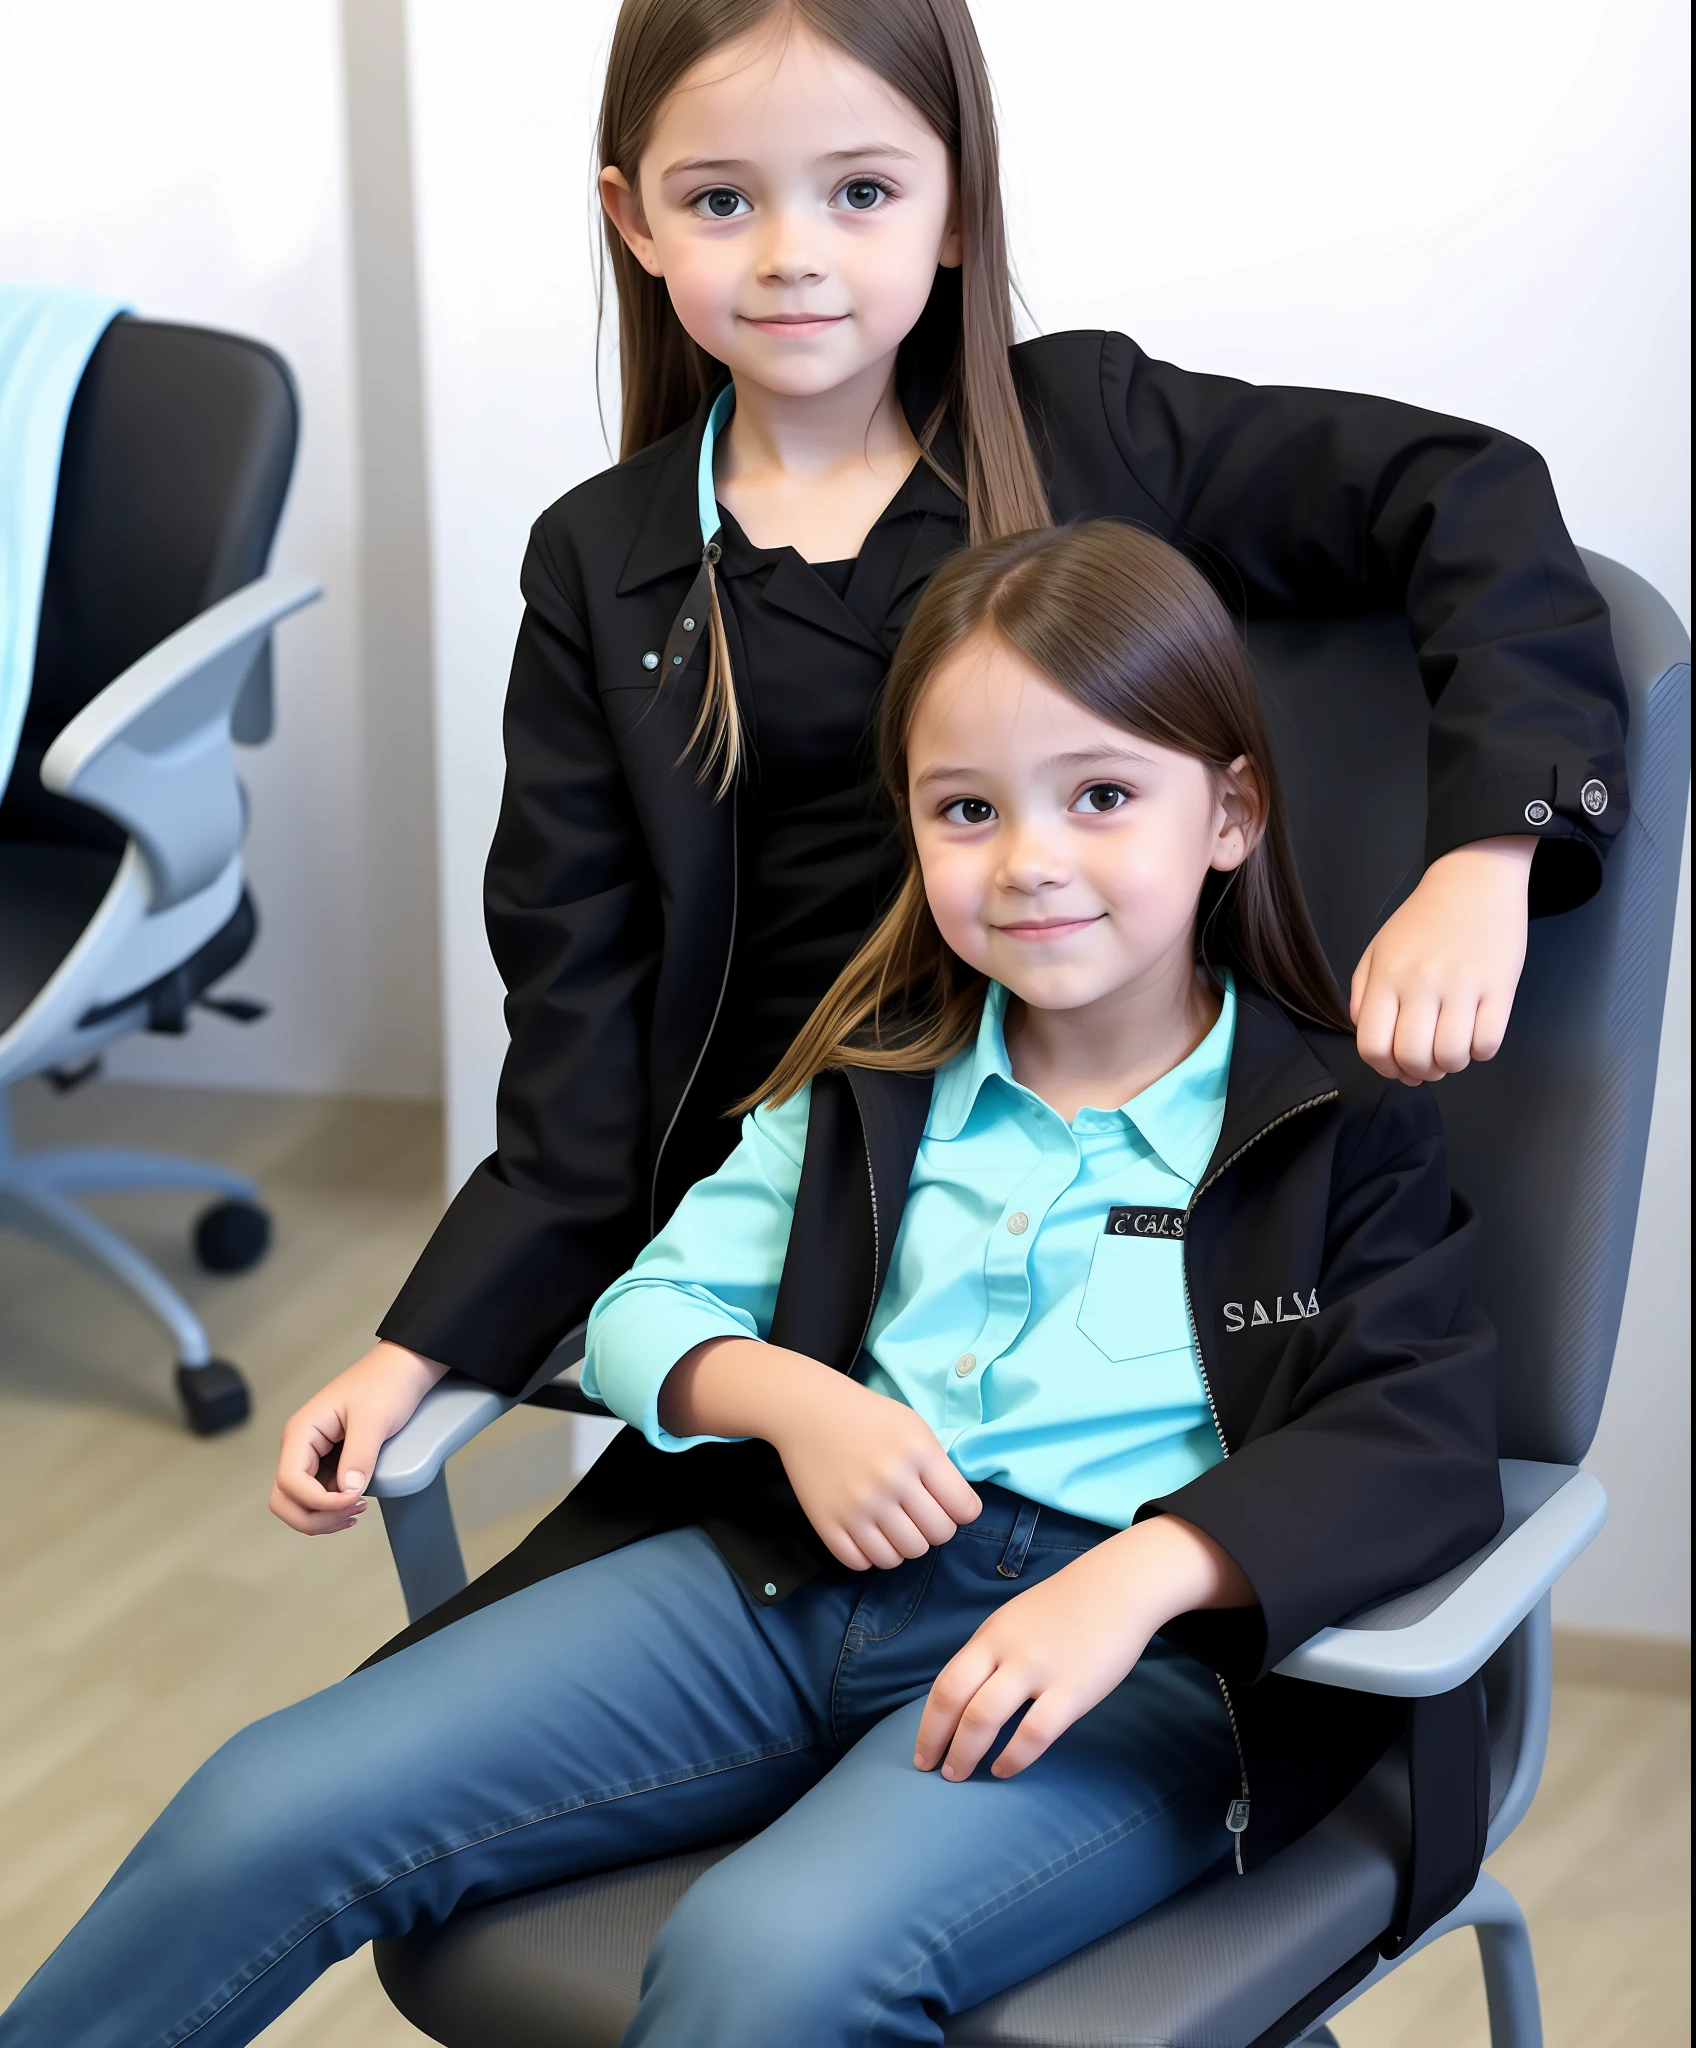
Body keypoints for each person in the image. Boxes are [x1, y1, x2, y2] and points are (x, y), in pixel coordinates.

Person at [0, 521, 1502, 2044]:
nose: (1031, 861)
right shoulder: (871, 1081)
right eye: (966, 809)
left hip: (1117, 1677)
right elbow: (643, 1312)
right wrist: (795, 1405)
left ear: (1230, 814)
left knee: (762, 1964)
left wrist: (1139, 1579)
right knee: (269, 1802)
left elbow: (1419, 1440)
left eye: (1102, 796)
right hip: (789, 1586)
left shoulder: (1337, 1124)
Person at [267, 0, 1625, 1521]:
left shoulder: (1096, 432)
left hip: (1100, 1298)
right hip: (791, 1273)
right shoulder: (601, 563)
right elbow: (580, 1030)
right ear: (632, 221)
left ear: (959, 204)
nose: (793, 251)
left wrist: (1484, 856)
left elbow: (1473, 496)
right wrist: (422, 1344)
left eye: (860, 190)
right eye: (723, 198)